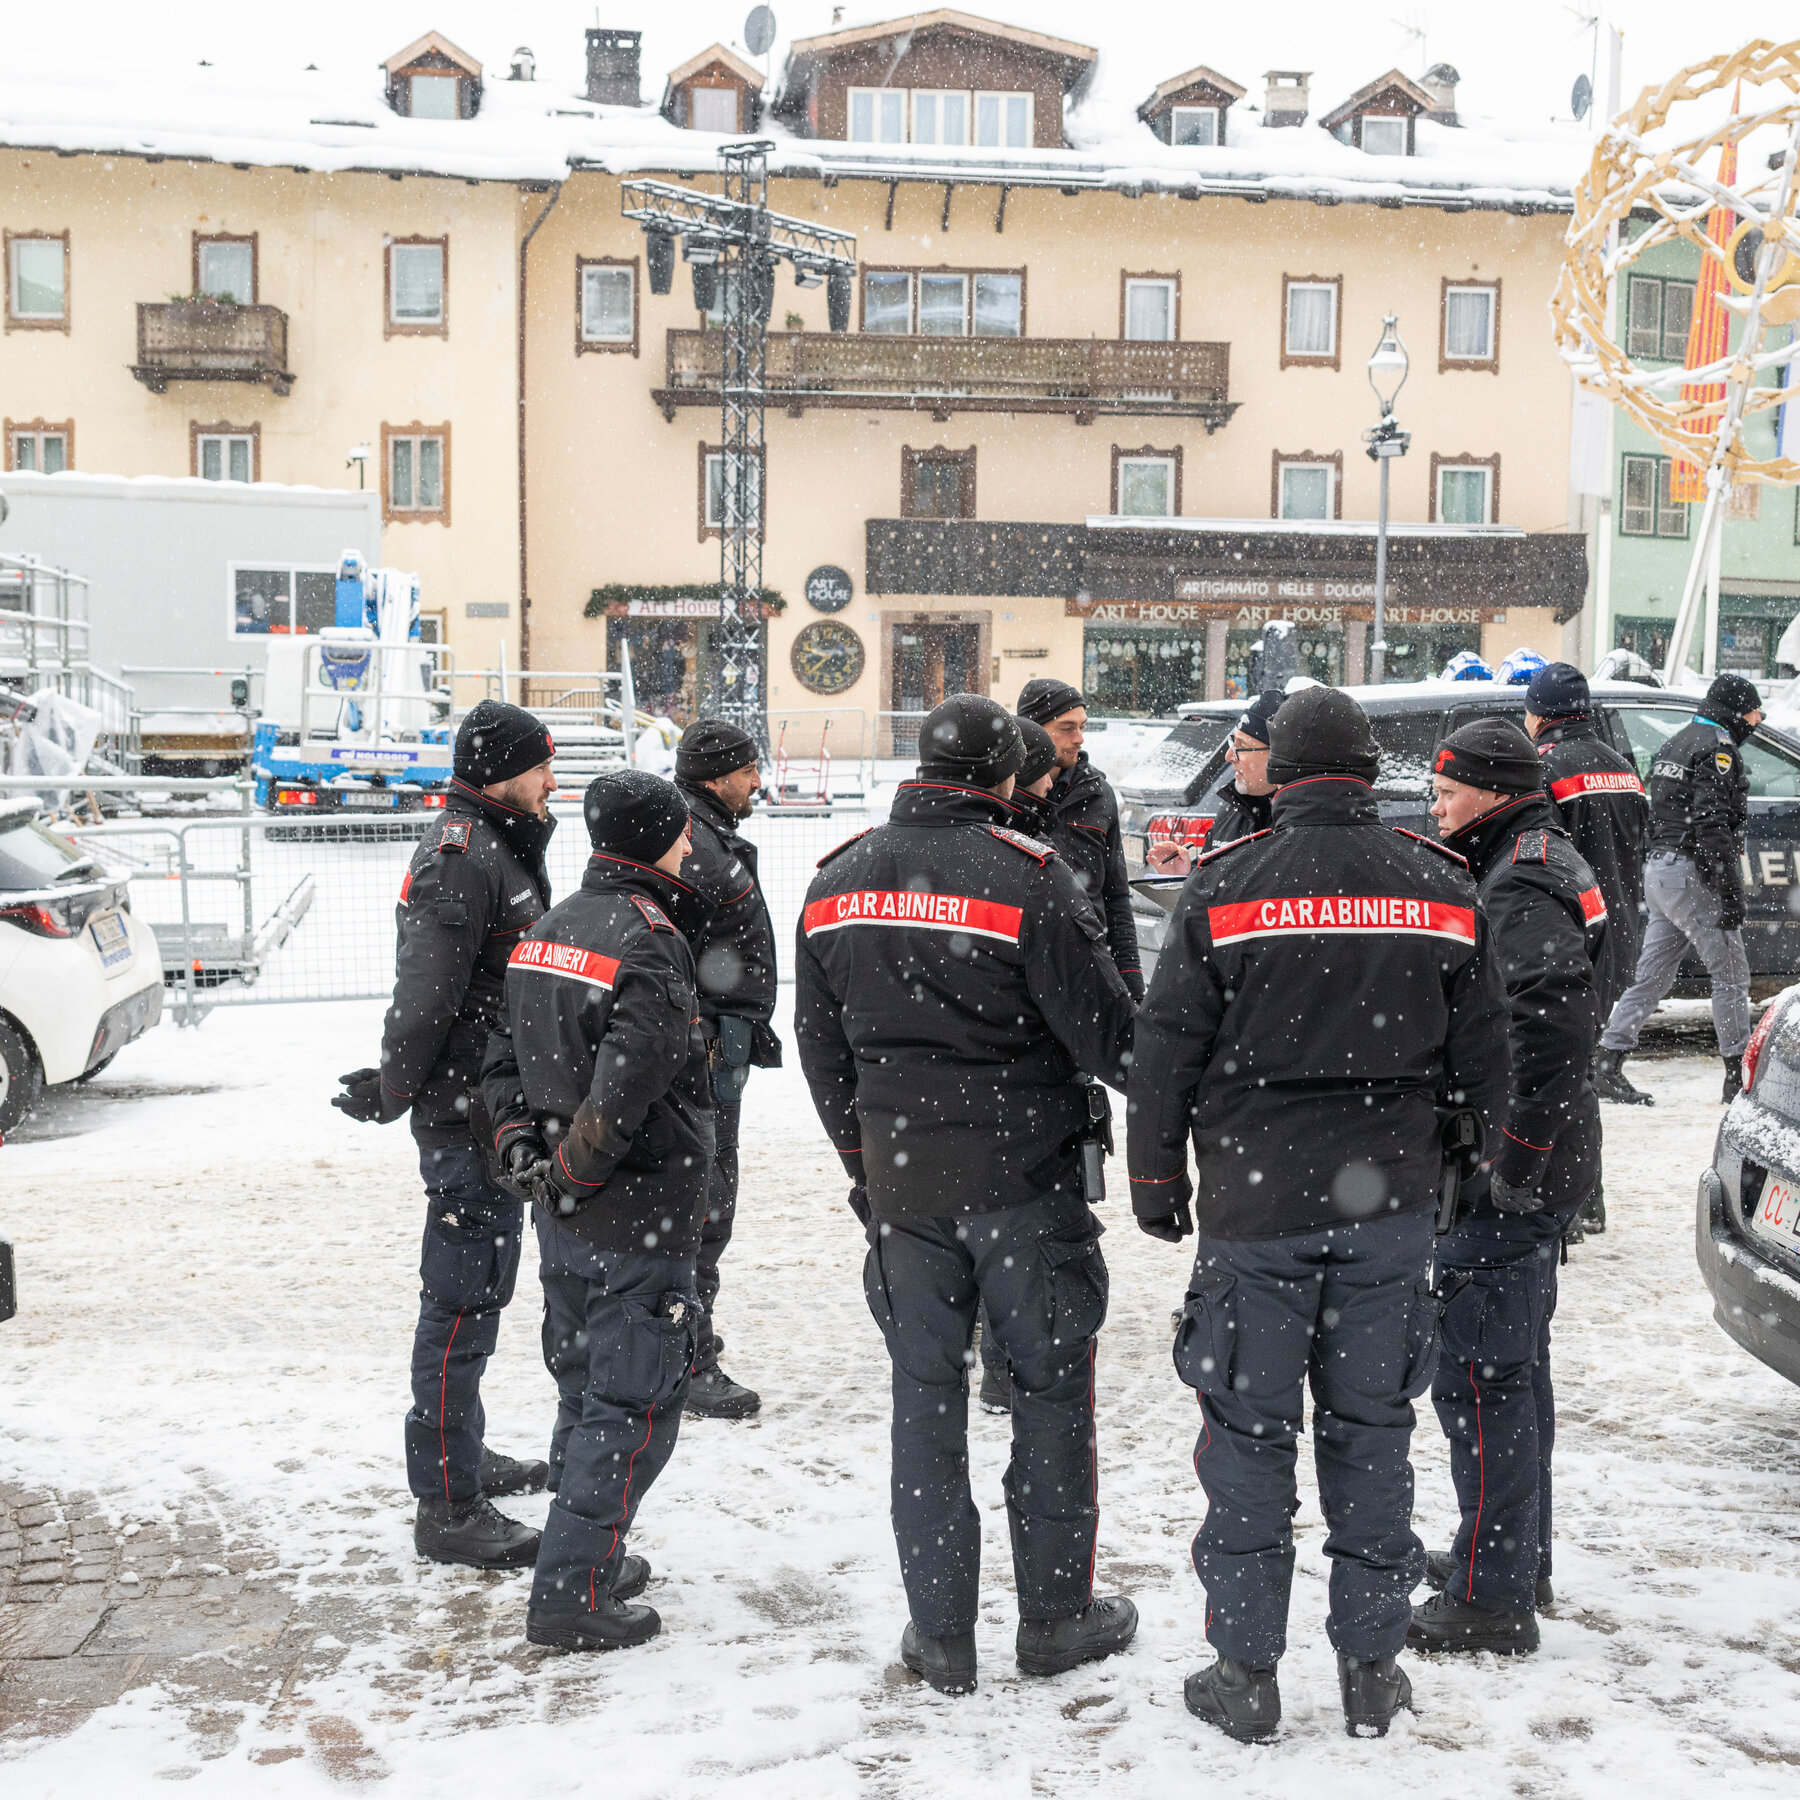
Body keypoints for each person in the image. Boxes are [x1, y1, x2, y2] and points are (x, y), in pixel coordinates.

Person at [1126, 687, 1507, 1742]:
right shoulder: (1440, 881)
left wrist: (1156, 1185)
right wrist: (1470, 1170)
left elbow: (1166, 1051)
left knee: (1249, 1442)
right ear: (1371, 772)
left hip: (1256, 1209)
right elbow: (1487, 1052)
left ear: (1281, 777)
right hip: (1388, 1206)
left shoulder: (1226, 883)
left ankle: (1246, 1673)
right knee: (1373, 1436)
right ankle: (1371, 1670)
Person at [795, 694, 1139, 1696]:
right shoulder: (1031, 877)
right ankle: (1056, 1619)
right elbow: (1110, 1039)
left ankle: (942, 1635)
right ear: (1006, 778)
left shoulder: (837, 878)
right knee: (1050, 1397)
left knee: (926, 1406)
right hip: (1024, 1182)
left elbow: (821, 1051)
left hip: (905, 1190)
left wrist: (867, 1163)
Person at [480, 770, 711, 1653]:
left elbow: (501, 1054)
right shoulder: (647, 939)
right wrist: (577, 1167)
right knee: (632, 1405)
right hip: (632, 1206)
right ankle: (571, 1590)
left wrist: (523, 1148)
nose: (688, 845)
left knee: (587, 1390)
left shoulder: (550, 926)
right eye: (680, 831)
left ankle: (584, 1556)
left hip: (567, 1209)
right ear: (654, 838)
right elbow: (630, 1078)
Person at [333, 699, 558, 1573]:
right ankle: (446, 1503)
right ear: (503, 774)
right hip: (465, 1118)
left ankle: (463, 1453)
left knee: (481, 1296)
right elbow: (426, 997)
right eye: (540, 766)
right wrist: (395, 1091)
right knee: (460, 1304)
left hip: (491, 1107)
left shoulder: (498, 842)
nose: (552, 781)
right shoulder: (464, 857)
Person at [1411, 718, 1608, 1658]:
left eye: (1447, 791)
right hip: (1543, 1163)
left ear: (1491, 791)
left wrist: (1512, 1158)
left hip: (1511, 1176)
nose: (1435, 807)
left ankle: (1491, 1596)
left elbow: (1554, 1023)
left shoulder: (1520, 880)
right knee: (1516, 1375)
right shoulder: (1534, 854)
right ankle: (1514, 1562)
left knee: (1482, 1384)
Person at [673, 719, 782, 1420]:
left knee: (706, 1203)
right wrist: (708, 1026)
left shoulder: (705, 836)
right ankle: (687, 1358)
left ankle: (685, 1345)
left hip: (719, 1045)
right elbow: (671, 952)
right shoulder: (693, 844)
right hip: (705, 1053)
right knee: (702, 1208)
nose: (756, 782)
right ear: (715, 777)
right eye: (747, 770)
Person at [1522, 662, 1648, 1236]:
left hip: (1567, 934)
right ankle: (1585, 1197)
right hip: (1617, 934)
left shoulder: (1545, 769)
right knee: (1577, 1065)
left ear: (1539, 714)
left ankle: (1568, 1200)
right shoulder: (1622, 766)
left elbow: (1543, 858)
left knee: (1554, 1071)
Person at [1595, 672, 1761, 1106]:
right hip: (1692, 873)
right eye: (1753, 712)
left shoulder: (1678, 741)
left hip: (1661, 872)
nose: (1757, 721)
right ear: (1735, 711)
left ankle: (1607, 1060)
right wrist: (1728, 889)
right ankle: (1739, 1077)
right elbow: (1711, 822)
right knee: (1731, 976)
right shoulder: (1717, 750)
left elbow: (1660, 810)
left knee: (1653, 975)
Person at [974, 713, 1065, 1419]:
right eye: (1043, 777)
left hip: (938, 1111)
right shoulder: (1026, 868)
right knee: (1015, 1241)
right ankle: (1009, 1369)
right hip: (1015, 1093)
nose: (1054, 785)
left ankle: (1000, 1367)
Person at [1017, 678, 1144, 999]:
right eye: (1067, 728)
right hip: (1021, 975)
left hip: (1089, 970)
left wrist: (1131, 980)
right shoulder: (1005, 791)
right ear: (1032, 731)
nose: (1079, 738)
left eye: (1082, 727)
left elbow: (1116, 896)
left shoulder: (1098, 793)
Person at [1145, 689, 1285, 879]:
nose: (1229, 756)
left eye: (1242, 747)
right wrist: (1186, 875)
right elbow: (1212, 883)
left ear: (1276, 755)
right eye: (1232, 743)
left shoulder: (1299, 822)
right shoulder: (1231, 810)